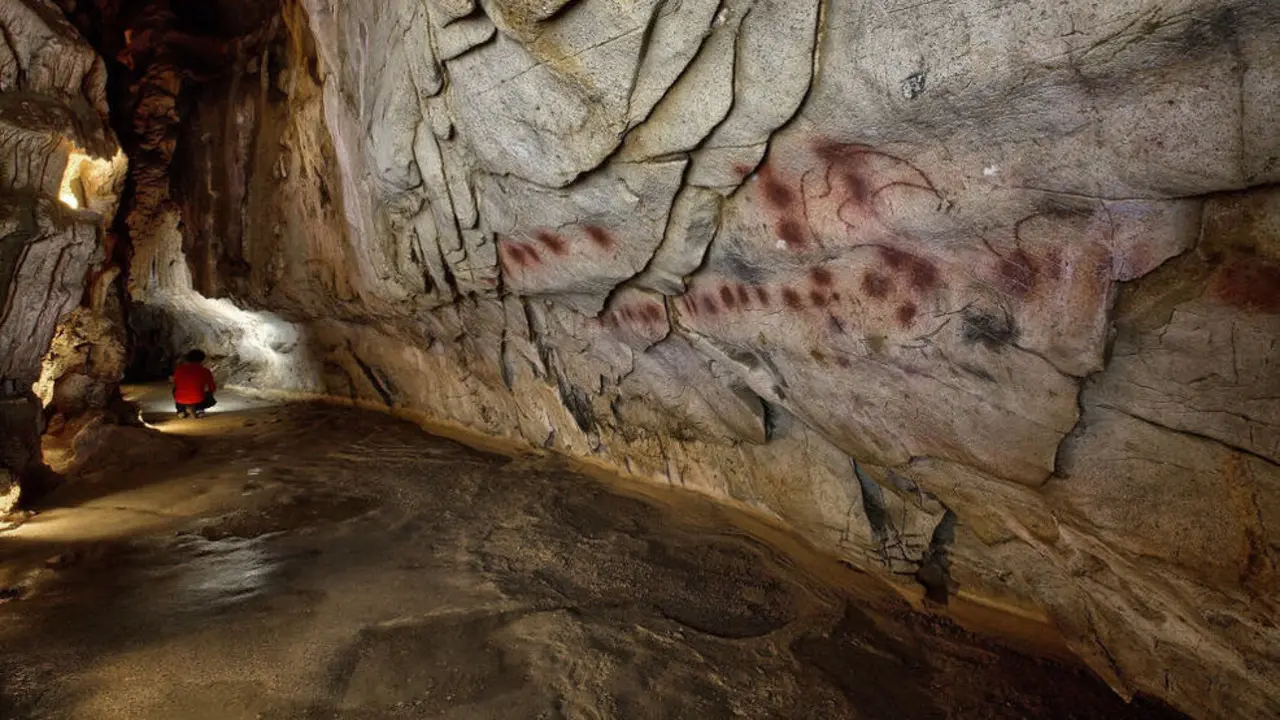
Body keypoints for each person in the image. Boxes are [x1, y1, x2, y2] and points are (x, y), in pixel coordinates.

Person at [171, 350, 217, 418]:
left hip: (180, 399)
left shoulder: (179, 369)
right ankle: (199, 409)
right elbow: (212, 387)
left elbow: (176, 383)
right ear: (202, 359)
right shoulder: (205, 371)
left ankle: (181, 410)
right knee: (207, 391)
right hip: (198, 398)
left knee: (175, 390)